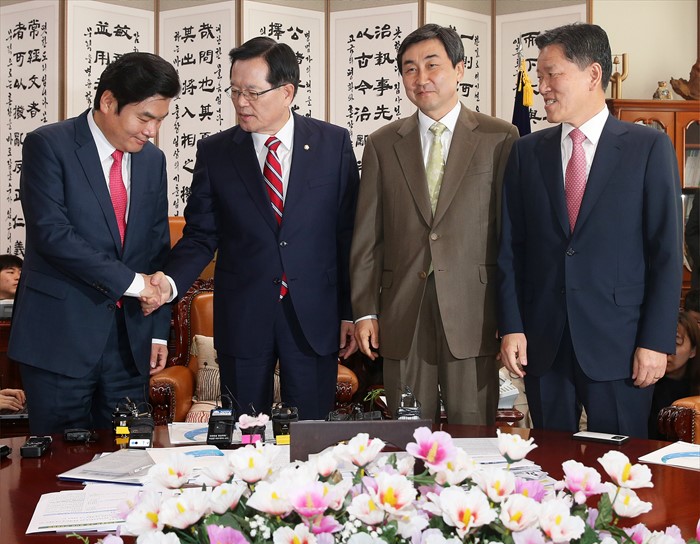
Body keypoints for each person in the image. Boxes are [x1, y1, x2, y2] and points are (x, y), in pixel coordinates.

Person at [143, 37, 359, 420]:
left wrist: (350, 312)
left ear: (287, 92)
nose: (241, 102)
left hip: (313, 315)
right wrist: (170, 283)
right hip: (243, 315)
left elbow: (348, 235)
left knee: (311, 433)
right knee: (245, 435)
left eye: (253, 92)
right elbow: (200, 235)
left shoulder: (332, 143)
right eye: (235, 91)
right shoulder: (216, 152)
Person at [498, 23, 683, 438]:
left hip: (621, 346)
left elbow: (666, 254)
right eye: (539, 75)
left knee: (619, 467)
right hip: (543, 344)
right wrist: (511, 326)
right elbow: (511, 248)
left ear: (593, 74)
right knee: (548, 462)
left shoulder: (647, 148)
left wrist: (656, 342)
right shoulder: (526, 152)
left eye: (552, 74)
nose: (542, 87)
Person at [350, 24, 518, 424]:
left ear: (459, 69)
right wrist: (364, 311)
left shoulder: (500, 137)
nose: (420, 77)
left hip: (475, 310)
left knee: (473, 431)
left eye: (431, 65)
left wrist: (511, 317)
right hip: (402, 309)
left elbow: (510, 235)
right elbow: (367, 237)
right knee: (408, 431)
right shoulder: (382, 143)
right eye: (409, 68)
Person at [9, 52, 181, 434]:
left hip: (130, 345)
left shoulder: (152, 161)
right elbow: (53, 234)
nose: (152, 130)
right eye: (145, 117)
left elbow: (156, 247)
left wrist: (157, 330)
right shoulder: (49, 145)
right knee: (56, 460)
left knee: (128, 456)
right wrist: (134, 284)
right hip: (60, 339)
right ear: (108, 101)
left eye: (160, 119)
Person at [648, 311, 700, 439]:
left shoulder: (695, 388)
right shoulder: (645, 386)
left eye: (676, 343)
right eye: (661, 342)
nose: (667, 350)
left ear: (693, 351)